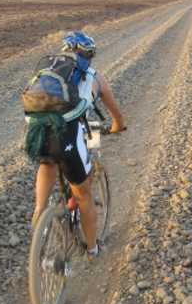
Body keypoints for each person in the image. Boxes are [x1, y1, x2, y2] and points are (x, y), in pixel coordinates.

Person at [32, 31, 125, 260]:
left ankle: (38, 217)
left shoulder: (48, 72)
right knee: (83, 195)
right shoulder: (94, 76)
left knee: (48, 163)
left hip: (38, 131)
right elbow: (116, 116)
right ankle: (92, 249)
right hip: (68, 135)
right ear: (89, 55)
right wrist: (117, 126)